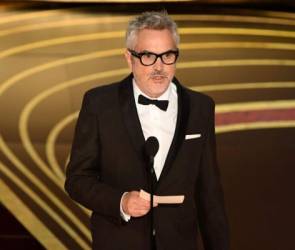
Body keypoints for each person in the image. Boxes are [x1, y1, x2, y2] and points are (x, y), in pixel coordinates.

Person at [65, 11, 229, 250]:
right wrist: (120, 202)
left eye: (167, 55)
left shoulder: (200, 107)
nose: (159, 67)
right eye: (148, 56)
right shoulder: (99, 104)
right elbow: (77, 180)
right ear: (128, 58)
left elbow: (209, 193)